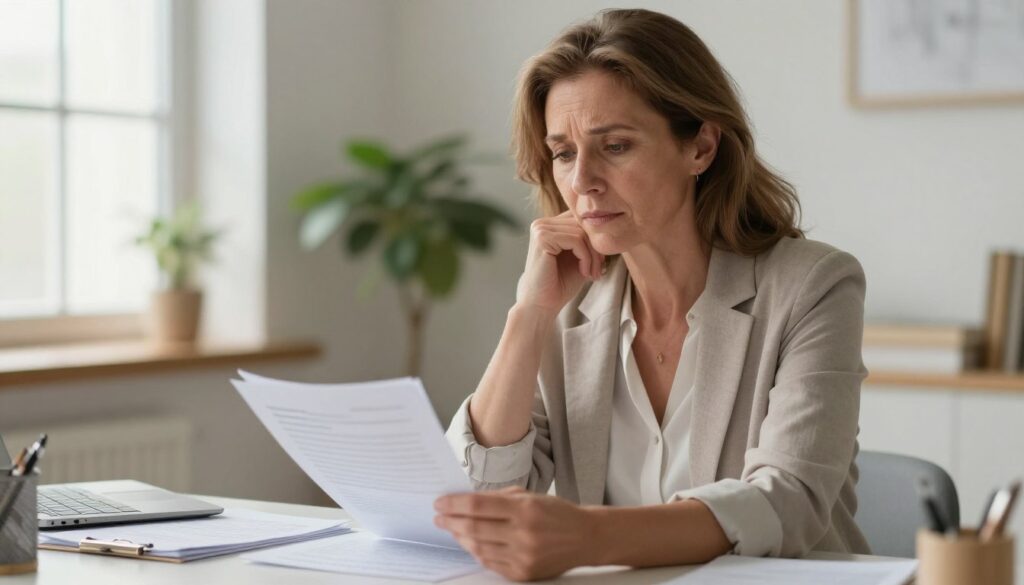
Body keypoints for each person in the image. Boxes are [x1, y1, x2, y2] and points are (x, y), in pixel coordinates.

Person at [433, 8, 870, 582]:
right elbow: (479, 499)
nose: (582, 179)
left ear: (701, 148)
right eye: (563, 153)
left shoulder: (814, 286)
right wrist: (528, 314)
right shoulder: (567, 306)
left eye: (614, 146)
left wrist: (589, 536)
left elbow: (789, 501)